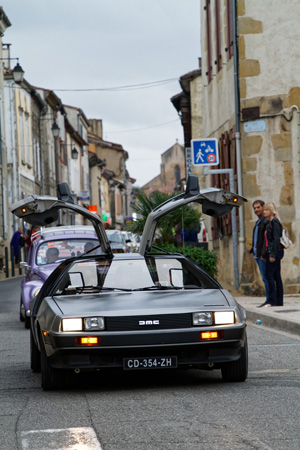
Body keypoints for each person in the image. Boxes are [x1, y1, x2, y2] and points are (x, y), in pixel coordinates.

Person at [261, 203, 284, 307]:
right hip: (273, 251)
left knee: (269, 276)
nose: (264, 211)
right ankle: (278, 301)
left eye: (266, 210)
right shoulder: (270, 222)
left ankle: (273, 300)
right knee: (276, 276)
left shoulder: (274, 222)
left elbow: (276, 239)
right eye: (264, 210)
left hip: (275, 251)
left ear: (271, 211)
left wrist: (272, 255)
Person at [250, 200, 270, 305]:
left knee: (266, 277)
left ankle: (269, 299)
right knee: (265, 277)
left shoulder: (266, 221)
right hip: (257, 254)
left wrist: (263, 254)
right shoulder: (259, 221)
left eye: (258, 207)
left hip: (262, 255)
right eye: (254, 208)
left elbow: (266, 240)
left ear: (263, 207)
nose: (256, 210)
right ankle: (269, 299)